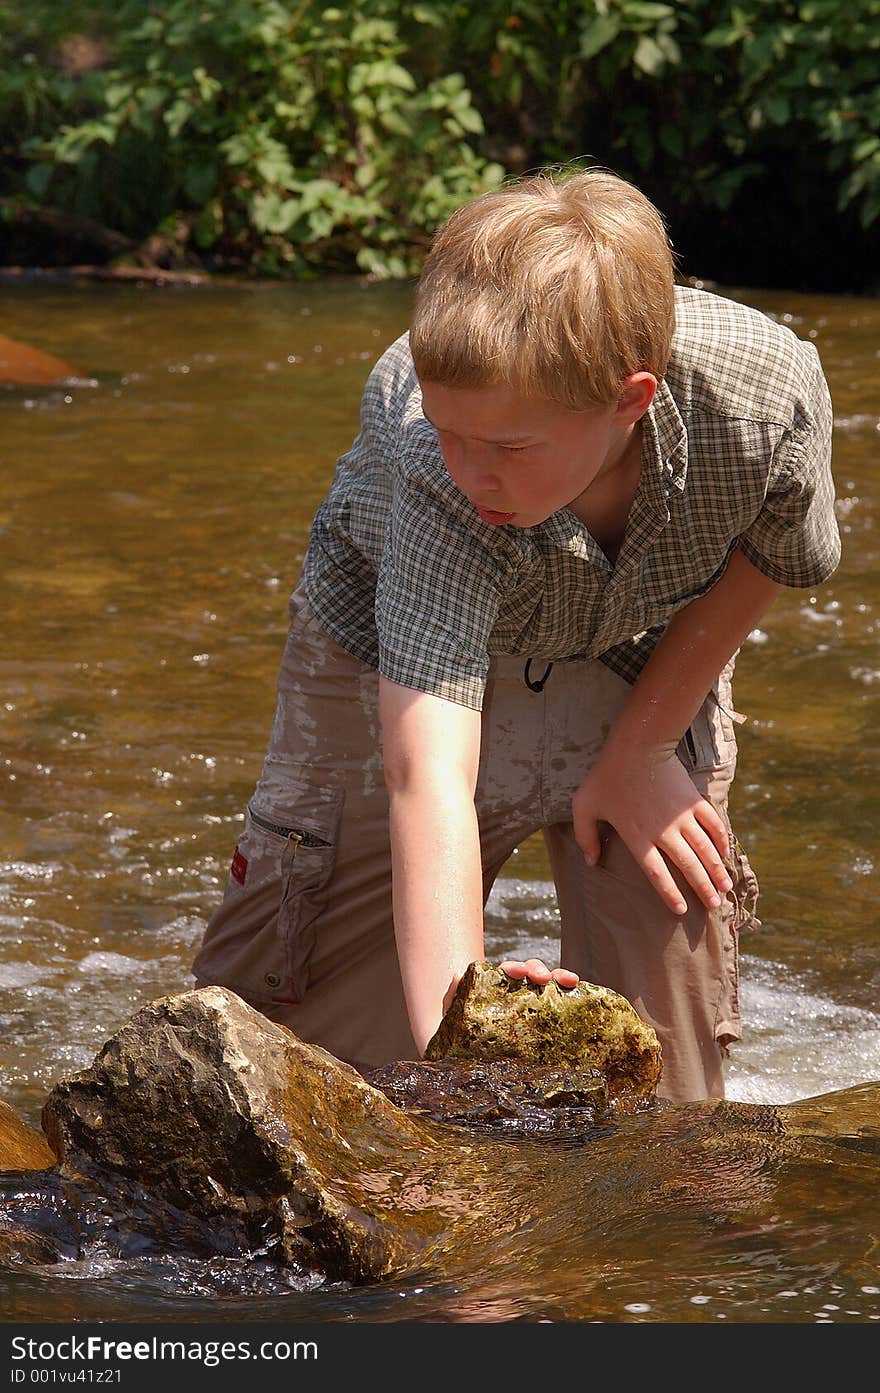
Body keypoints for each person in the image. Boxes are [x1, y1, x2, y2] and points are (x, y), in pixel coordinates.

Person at [191, 167, 839, 1102]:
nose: (469, 469)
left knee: (669, 1074)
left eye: (506, 447)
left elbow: (779, 550)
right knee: (286, 1052)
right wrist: (471, 1034)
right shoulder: (435, 467)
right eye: (453, 430)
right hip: (394, 644)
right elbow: (430, 775)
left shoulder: (766, 394)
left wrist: (647, 742)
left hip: (639, 648)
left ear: (630, 399)